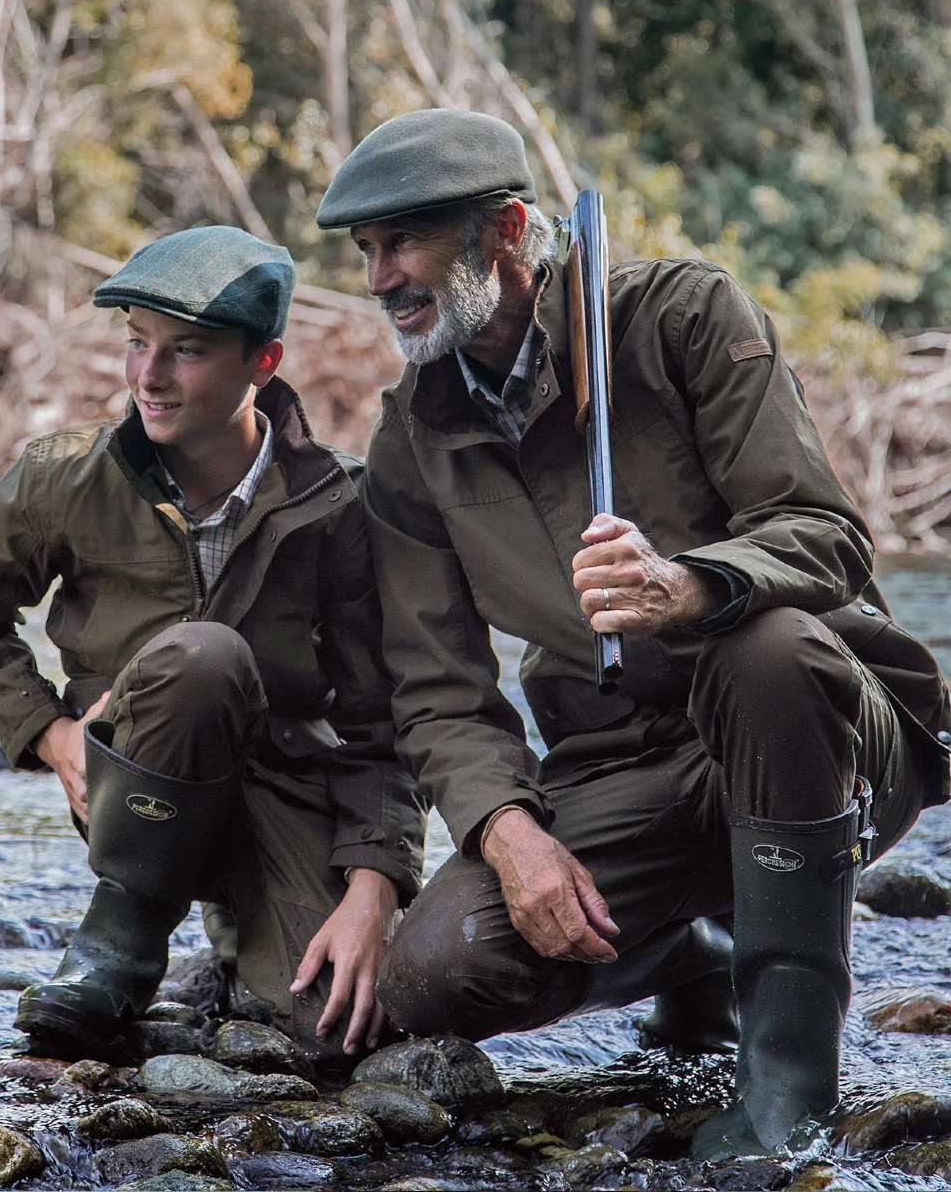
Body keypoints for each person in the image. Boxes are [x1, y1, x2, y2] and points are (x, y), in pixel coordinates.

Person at [315, 109, 951, 1156]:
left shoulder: (681, 318)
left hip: (826, 738)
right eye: (368, 250)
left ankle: (790, 1090)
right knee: (439, 966)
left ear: (508, 229)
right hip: (619, 768)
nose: (380, 277)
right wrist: (506, 835)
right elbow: (436, 689)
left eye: (404, 241)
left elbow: (826, 535)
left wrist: (691, 584)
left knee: (767, 648)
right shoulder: (410, 439)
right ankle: (689, 946)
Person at [0, 225, 425, 1069]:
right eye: (138, 344)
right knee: (202, 656)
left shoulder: (339, 505)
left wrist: (374, 885)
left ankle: (232, 942)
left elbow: (379, 717)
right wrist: (48, 733)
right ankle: (121, 945)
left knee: (335, 1030)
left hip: (282, 784)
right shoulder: (64, 478)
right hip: (132, 778)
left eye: (187, 351)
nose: (149, 376)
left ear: (262, 364)